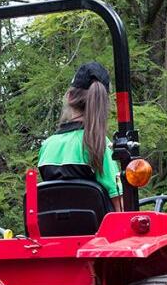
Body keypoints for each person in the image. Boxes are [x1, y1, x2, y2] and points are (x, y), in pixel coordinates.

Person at [38, 61, 123, 211]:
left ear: (70, 97)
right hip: (98, 233)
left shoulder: (47, 146)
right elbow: (119, 206)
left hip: (55, 232)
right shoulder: (98, 144)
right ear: (103, 103)